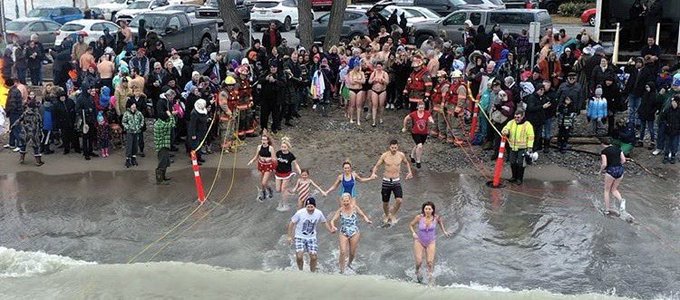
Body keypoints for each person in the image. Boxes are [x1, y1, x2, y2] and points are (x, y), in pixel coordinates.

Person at [370, 139, 414, 225]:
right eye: (392, 147)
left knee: (399, 200)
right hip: (386, 181)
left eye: (395, 147)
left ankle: (393, 214)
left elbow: (407, 163)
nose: (394, 149)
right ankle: (387, 215)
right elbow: (377, 165)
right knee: (385, 202)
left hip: (396, 181)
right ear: (389, 147)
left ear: (398, 147)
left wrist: (410, 172)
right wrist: (373, 173)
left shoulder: (401, 155)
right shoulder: (384, 156)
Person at [287, 197, 335, 272]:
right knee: (299, 256)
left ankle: (312, 272)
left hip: (311, 237)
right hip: (300, 236)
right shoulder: (300, 213)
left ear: (315, 206)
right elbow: (291, 223)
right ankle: (301, 271)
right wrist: (289, 236)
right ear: (306, 206)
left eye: (311, 207)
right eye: (308, 207)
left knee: (313, 257)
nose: (310, 209)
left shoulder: (318, 213)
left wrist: (330, 230)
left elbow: (324, 222)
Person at [408, 201, 450, 284]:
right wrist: (413, 233)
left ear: (432, 210)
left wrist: (444, 231)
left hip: (431, 241)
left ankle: (430, 277)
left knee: (430, 263)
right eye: (426, 209)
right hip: (419, 241)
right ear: (423, 210)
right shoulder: (419, 217)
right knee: (419, 262)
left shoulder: (436, 218)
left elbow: (440, 223)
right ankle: (417, 271)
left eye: (429, 209)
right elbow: (410, 225)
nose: (427, 210)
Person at [329, 193, 372, 274]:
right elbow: (332, 220)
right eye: (344, 201)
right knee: (342, 252)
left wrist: (367, 220)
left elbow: (363, 215)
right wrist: (333, 226)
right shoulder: (340, 210)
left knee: (352, 253)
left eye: (347, 201)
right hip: (343, 232)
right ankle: (342, 270)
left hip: (354, 232)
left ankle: (348, 264)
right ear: (342, 201)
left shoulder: (355, 208)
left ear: (350, 200)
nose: (346, 203)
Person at [501, 110, 535, 185]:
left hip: (523, 148)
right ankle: (514, 177)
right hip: (513, 147)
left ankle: (519, 178)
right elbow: (505, 128)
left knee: (521, 164)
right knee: (512, 162)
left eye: (518, 117)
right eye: (515, 117)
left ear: (522, 116)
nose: (516, 119)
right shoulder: (511, 122)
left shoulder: (527, 125)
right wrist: (505, 131)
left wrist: (530, 147)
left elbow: (531, 137)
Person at [598, 137, 627, 215]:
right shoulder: (618, 148)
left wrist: (600, 171)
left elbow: (604, 164)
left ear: (602, 144)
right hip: (620, 170)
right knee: (614, 189)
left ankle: (607, 210)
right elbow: (623, 160)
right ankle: (621, 200)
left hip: (611, 171)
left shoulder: (604, 151)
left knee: (606, 190)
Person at [402, 102, 435, 169]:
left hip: (424, 133)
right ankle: (418, 161)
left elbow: (430, 118)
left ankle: (411, 155)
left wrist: (431, 121)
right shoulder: (413, 114)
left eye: (422, 107)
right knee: (420, 146)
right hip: (415, 133)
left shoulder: (427, 113)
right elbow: (406, 118)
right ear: (417, 107)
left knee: (418, 145)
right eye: (420, 107)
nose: (421, 109)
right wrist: (404, 127)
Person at [275, 137, 302, 211]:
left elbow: (296, 164)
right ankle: (289, 192)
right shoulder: (278, 153)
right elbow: (275, 162)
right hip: (278, 173)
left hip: (286, 174)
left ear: (288, 147)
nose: (283, 148)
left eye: (284, 147)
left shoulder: (290, 155)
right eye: (282, 147)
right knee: (278, 189)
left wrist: (300, 172)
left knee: (283, 189)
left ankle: (285, 204)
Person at [248, 131, 277, 201]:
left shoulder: (270, 148)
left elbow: (274, 159)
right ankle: (264, 194)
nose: (263, 141)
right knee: (262, 182)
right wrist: (252, 161)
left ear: (267, 141)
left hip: (268, 166)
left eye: (265, 140)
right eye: (262, 139)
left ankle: (270, 190)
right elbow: (256, 156)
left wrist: (268, 159)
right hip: (261, 165)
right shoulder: (259, 147)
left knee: (264, 182)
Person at [122, 102, 144, 168]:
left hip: (136, 131)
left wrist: (140, 126)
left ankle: (133, 158)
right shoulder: (126, 113)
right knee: (129, 145)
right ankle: (128, 159)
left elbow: (142, 119)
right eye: (133, 105)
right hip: (129, 132)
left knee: (135, 145)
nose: (134, 106)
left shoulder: (138, 113)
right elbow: (123, 122)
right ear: (130, 106)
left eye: (135, 105)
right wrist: (128, 127)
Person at [659, 96, 680, 164]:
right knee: (667, 144)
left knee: (674, 144)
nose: (673, 103)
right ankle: (666, 155)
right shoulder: (668, 109)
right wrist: (666, 124)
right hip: (668, 130)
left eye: (675, 102)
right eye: (672, 102)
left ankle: (673, 156)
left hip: (676, 131)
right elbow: (663, 117)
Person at [369, 61, 389, 127]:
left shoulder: (384, 73)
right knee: (374, 105)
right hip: (374, 90)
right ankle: (374, 120)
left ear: (382, 67)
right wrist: (373, 80)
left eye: (380, 67)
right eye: (377, 67)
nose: (378, 68)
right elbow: (369, 81)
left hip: (382, 90)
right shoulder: (374, 73)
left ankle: (380, 117)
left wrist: (383, 80)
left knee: (381, 105)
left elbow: (387, 82)